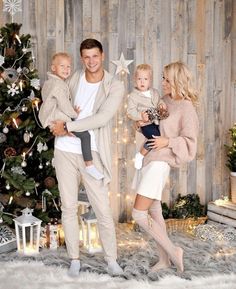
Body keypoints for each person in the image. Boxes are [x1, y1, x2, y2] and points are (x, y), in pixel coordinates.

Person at [49, 39, 125, 277]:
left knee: (102, 208)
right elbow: (56, 98)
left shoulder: (115, 85)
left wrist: (69, 124)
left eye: (95, 56)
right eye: (86, 57)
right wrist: (55, 124)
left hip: (91, 152)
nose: (91, 61)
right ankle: (74, 258)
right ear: (82, 58)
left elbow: (102, 118)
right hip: (64, 151)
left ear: (102, 55)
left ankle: (111, 260)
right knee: (69, 207)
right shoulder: (74, 77)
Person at [131, 61, 199, 273]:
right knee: (154, 210)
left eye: (166, 79)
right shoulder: (164, 100)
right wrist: (140, 124)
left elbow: (190, 143)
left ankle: (173, 250)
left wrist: (167, 142)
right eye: (162, 78)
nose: (162, 82)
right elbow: (153, 125)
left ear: (177, 81)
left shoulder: (187, 108)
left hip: (160, 163)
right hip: (148, 158)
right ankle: (164, 260)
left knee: (138, 215)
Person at [39, 52, 104, 180]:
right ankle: (89, 165)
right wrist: (74, 113)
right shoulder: (58, 85)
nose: (66, 69)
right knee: (85, 135)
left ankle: (68, 131)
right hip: (56, 118)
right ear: (53, 68)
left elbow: (53, 100)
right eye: (62, 66)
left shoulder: (49, 82)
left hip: (50, 116)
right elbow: (63, 103)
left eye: (68, 66)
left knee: (75, 131)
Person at [127, 64, 168, 170]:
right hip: (145, 124)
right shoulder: (133, 96)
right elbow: (130, 112)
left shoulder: (154, 92)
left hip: (157, 121)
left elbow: (159, 101)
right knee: (155, 137)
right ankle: (140, 155)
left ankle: (151, 157)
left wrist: (162, 104)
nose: (142, 82)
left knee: (161, 136)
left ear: (150, 80)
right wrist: (140, 116)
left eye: (145, 79)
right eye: (139, 79)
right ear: (135, 80)